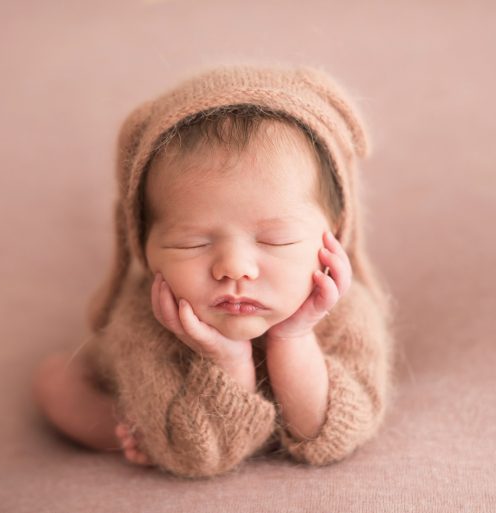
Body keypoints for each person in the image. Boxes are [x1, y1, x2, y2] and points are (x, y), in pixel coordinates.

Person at [32, 64, 394, 479]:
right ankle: (130, 431)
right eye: (192, 243)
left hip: (288, 373)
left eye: (275, 240)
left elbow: (334, 436)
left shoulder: (347, 313)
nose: (234, 268)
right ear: (145, 249)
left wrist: (293, 337)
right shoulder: (145, 323)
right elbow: (198, 456)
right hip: (173, 413)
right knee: (55, 381)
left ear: (334, 235)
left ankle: (155, 434)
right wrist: (227, 359)